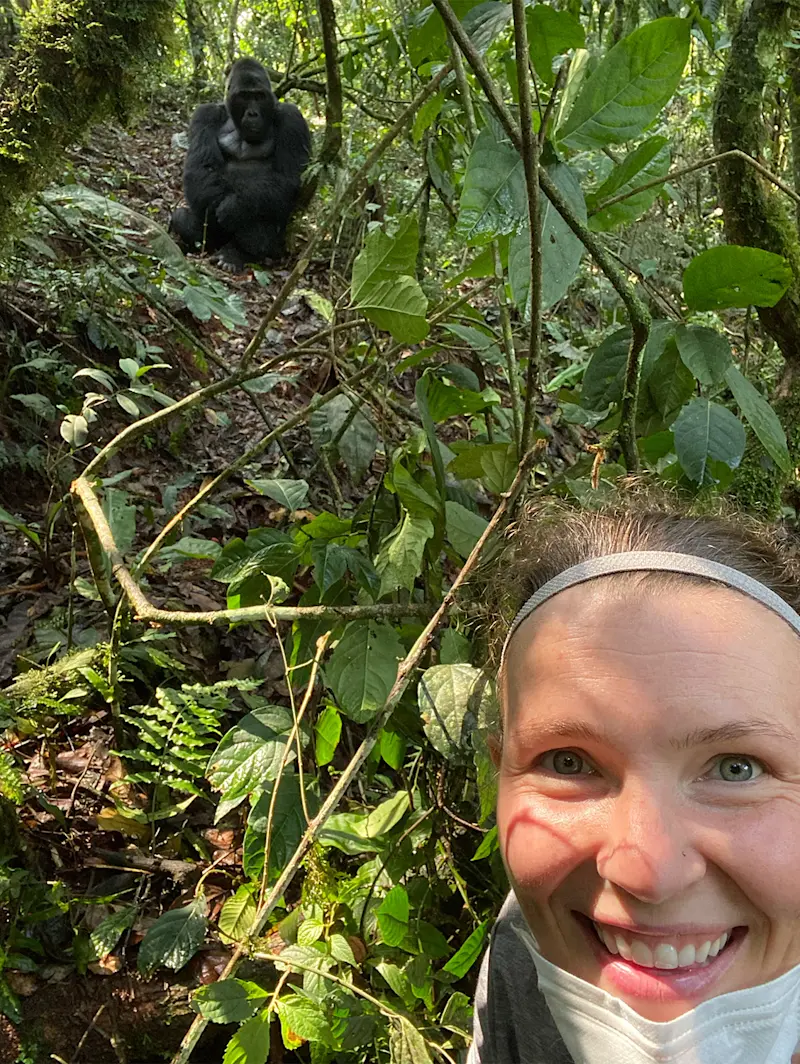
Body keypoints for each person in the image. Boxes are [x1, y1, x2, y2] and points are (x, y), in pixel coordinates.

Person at [469, 497, 800, 1064]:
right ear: (500, 773)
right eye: (567, 762)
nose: (649, 874)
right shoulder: (526, 945)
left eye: (736, 768)